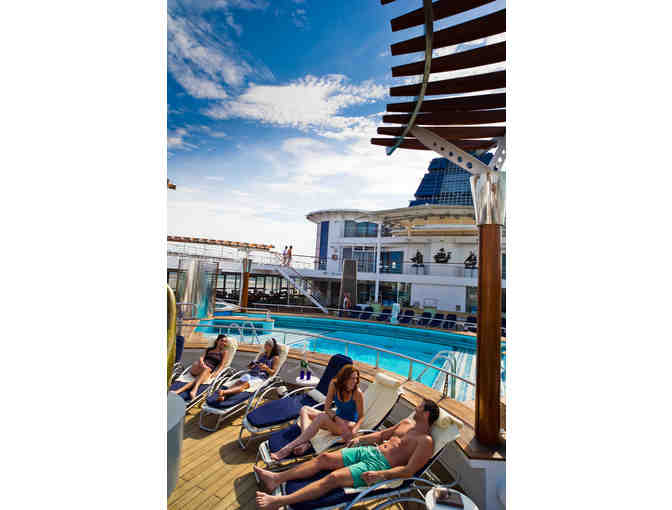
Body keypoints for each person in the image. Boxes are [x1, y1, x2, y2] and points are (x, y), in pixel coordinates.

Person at [255, 399, 440, 510]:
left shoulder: (426, 441)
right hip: (371, 450)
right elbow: (382, 435)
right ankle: (276, 478)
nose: (415, 408)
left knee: (333, 478)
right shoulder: (406, 424)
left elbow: (409, 471)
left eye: (419, 406)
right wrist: (360, 439)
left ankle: (279, 501)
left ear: (426, 414)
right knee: (324, 458)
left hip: (380, 465)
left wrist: (381, 474)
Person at [270, 365, 364, 461]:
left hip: (347, 426)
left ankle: (286, 449)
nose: (355, 381)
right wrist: (337, 418)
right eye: (352, 378)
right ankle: (305, 442)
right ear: (344, 378)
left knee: (322, 416)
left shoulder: (357, 393)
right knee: (305, 409)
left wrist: (355, 430)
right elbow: (327, 408)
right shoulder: (334, 384)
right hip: (336, 420)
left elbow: (361, 416)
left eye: (356, 378)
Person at [215, 338, 280, 401]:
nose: (265, 346)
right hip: (252, 373)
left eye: (267, 344)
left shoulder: (275, 358)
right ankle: (224, 396)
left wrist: (267, 368)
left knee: (244, 386)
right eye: (265, 344)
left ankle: (223, 392)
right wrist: (251, 366)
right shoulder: (262, 354)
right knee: (238, 383)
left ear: (271, 347)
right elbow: (255, 364)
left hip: (261, 378)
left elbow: (273, 372)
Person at [171, 334, 231, 401]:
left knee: (200, 377)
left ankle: (180, 391)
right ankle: (194, 390)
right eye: (222, 340)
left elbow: (222, 365)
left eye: (225, 342)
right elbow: (201, 358)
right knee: (203, 368)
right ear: (217, 341)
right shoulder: (209, 349)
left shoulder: (224, 352)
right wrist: (202, 364)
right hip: (199, 367)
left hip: (207, 371)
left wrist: (216, 373)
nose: (223, 343)